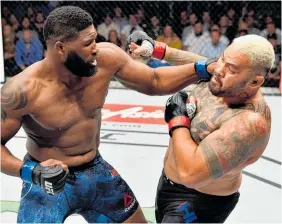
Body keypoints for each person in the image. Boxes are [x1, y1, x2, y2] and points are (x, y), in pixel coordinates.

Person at [1, 6, 215, 223]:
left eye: (95, 39)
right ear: (60, 48)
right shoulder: (21, 91)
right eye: (87, 43)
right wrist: (30, 171)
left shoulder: (106, 59)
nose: (95, 49)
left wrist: (199, 68)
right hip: (47, 182)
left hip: (95, 170)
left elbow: (154, 81)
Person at [127, 31, 273, 222]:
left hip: (200, 202)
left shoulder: (248, 123)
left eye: (232, 69)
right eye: (222, 59)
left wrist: (177, 119)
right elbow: (199, 64)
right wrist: (156, 49)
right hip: (167, 184)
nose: (219, 69)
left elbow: (190, 174)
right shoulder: (224, 77)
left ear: (255, 81)